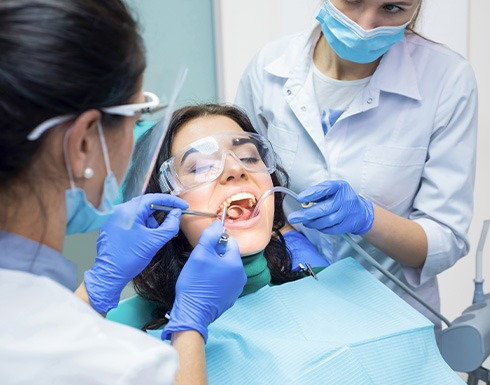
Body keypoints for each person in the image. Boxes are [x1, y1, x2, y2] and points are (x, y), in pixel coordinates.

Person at [108, 104, 464, 384]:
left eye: (249, 157)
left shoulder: (322, 279)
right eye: (201, 167)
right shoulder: (123, 332)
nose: (235, 170)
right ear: (159, 207)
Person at [0, 1, 246, 384]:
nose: (234, 171)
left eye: (249, 156)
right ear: (83, 143)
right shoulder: (126, 365)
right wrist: (190, 325)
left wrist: (98, 288)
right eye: (137, 116)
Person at [235, 0, 478, 331]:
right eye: (353, 0)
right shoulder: (269, 67)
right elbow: (244, 184)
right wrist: (289, 237)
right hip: (288, 300)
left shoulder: (447, 79)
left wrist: (369, 218)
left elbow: (444, 238)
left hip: (393, 316)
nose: (366, 26)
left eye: (392, 8)